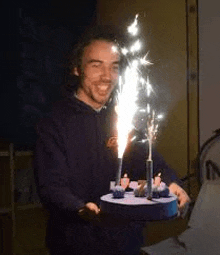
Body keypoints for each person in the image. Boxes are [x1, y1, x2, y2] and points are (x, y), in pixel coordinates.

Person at [34, 26, 190, 255]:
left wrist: (172, 183)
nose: (107, 76)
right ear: (77, 69)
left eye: (114, 67)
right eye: (96, 65)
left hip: (126, 243)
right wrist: (79, 209)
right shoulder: (53, 123)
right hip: (74, 243)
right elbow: (51, 187)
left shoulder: (122, 117)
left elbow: (153, 163)